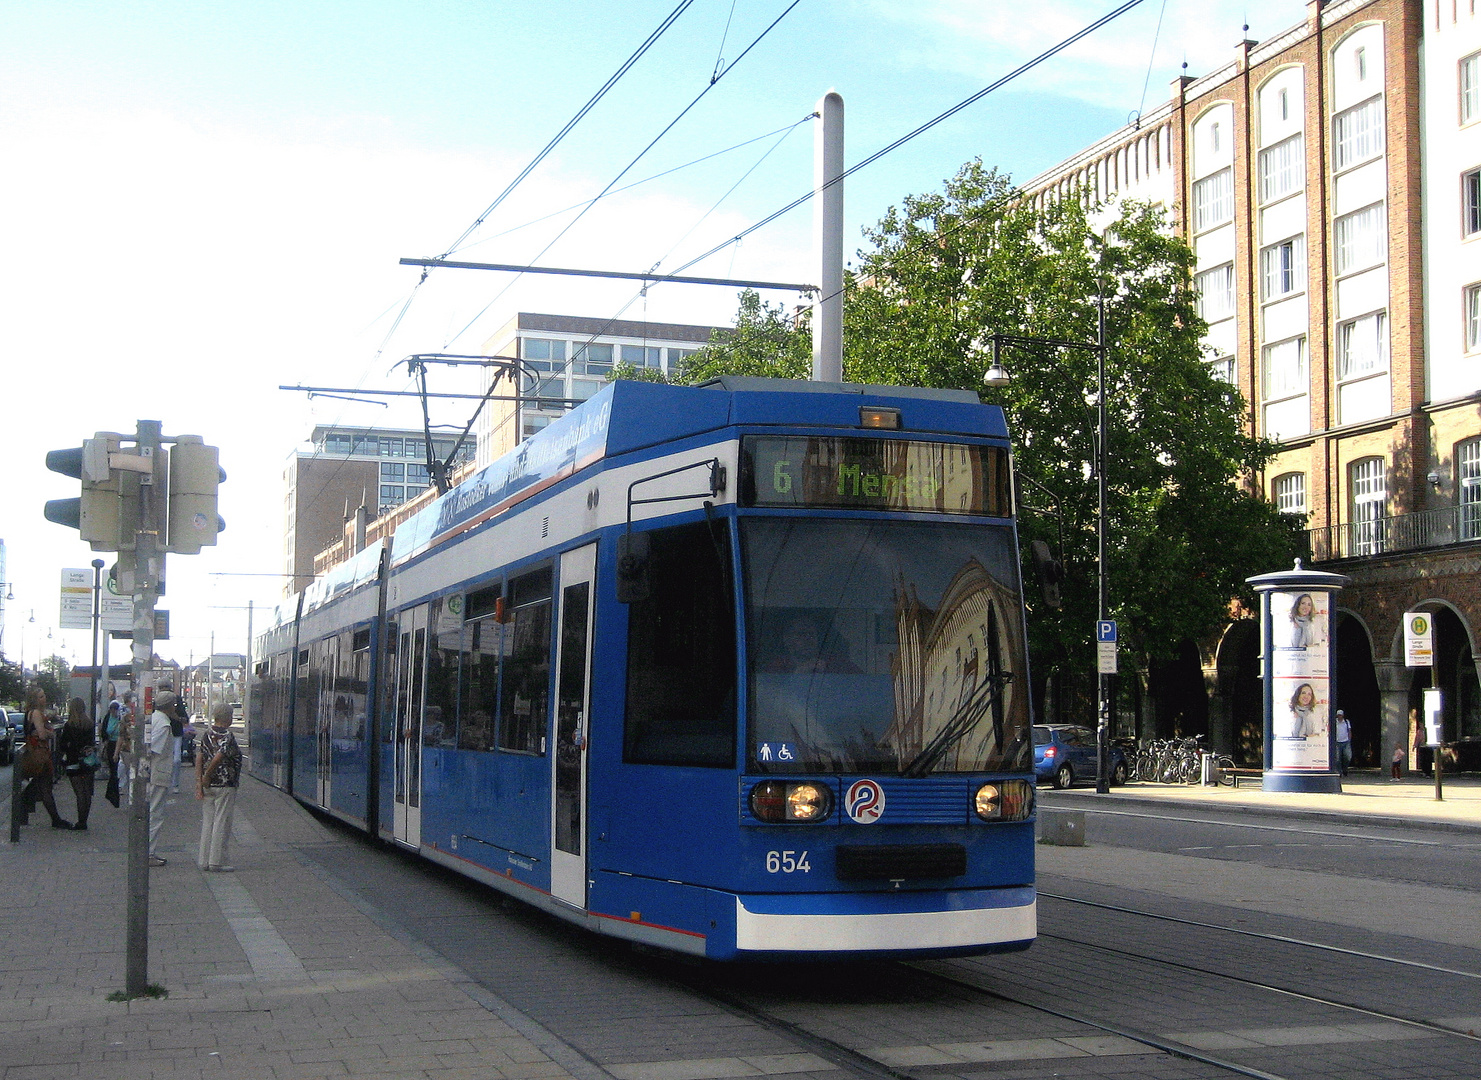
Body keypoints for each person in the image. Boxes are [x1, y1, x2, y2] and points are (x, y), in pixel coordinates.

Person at [196, 702, 242, 872]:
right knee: (221, 821)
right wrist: (207, 775)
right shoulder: (228, 736)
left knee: (208, 822)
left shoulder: (206, 734)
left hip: (208, 786)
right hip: (224, 784)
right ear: (228, 718)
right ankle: (216, 861)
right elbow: (219, 756)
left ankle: (203, 860)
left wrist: (199, 782)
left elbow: (200, 757)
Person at [20, 687, 72, 829]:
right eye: (41, 696)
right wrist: (49, 733)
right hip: (40, 753)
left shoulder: (29, 713)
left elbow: (37, 732)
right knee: (45, 787)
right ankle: (55, 819)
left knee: (41, 787)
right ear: (35, 699)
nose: (44, 698)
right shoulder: (36, 713)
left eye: (44, 695)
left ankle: (53, 818)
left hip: (35, 751)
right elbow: (43, 734)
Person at [145, 689, 180, 866]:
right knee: (155, 814)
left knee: (151, 812)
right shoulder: (164, 725)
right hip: (158, 773)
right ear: (169, 706)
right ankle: (149, 853)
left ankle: (147, 851)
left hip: (152, 773)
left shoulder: (154, 718)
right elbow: (153, 749)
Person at [57, 697, 99, 830]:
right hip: (87, 761)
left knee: (79, 793)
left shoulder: (69, 725)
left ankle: (80, 821)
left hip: (73, 760)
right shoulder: (90, 724)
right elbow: (92, 743)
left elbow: (63, 745)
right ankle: (83, 821)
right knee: (87, 792)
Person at [102, 698, 123, 807]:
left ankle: (112, 794)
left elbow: (122, 733)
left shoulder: (121, 718)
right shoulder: (107, 717)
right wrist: (104, 742)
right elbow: (104, 731)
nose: (113, 711)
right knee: (113, 769)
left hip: (120, 745)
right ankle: (112, 794)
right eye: (112, 709)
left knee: (116, 770)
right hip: (110, 744)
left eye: (115, 709)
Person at [1334, 709, 1353, 776]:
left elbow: (1349, 730)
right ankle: (1340, 771)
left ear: (1343, 715)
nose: (1339, 716)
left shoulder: (1346, 722)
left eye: (1340, 715)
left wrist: (1349, 739)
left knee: (1348, 756)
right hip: (1337, 742)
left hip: (1346, 742)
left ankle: (1345, 769)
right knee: (1337, 758)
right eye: (1338, 715)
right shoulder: (1334, 722)